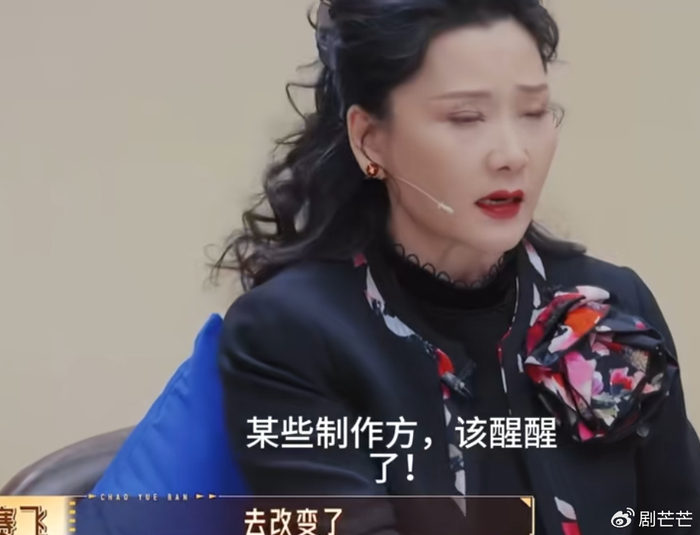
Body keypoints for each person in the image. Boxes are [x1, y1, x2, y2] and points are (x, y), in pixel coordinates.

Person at [214, 0, 700, 533]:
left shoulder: (611, 301)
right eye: (466, 118)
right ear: (370, 139)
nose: (513, 154)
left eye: (534, 112)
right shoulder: (291, 333)